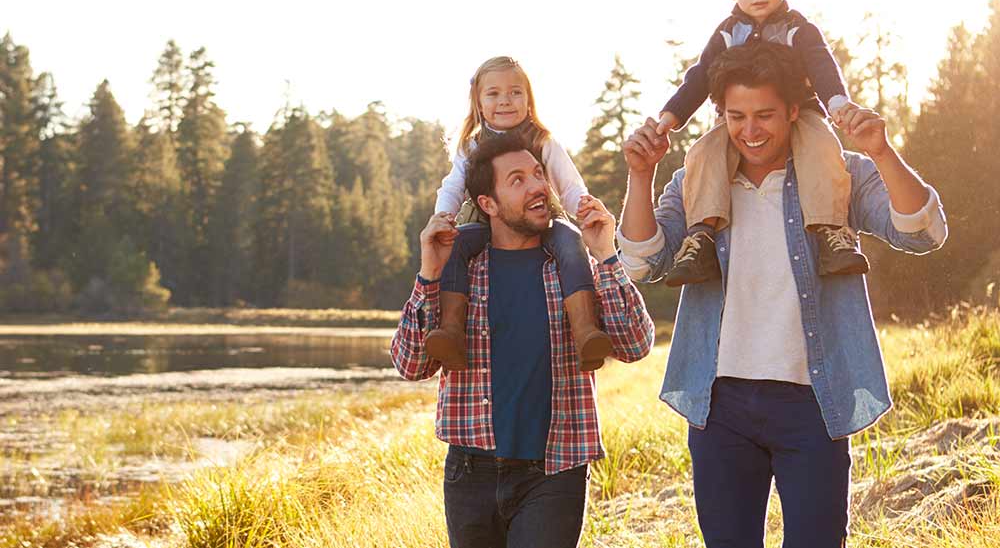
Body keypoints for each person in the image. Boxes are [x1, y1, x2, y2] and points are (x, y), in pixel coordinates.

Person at [618, 42, 947, 546]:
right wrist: (641, 175)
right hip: (721, 403)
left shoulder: (837, 174)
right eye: (736, 116)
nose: (750, 131)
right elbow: (643, 261)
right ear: (720, 114)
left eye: (765, 115)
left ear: (794, 110)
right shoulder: (696, 182)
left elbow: (922, 232)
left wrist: (881, 151)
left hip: (814, 402)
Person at [393, 132, 655, 548]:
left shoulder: (570, 267)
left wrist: (606, 253)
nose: (537, 186)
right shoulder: (463, 271)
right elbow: (410, 365)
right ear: (488, 204)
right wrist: (428, 273)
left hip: (554, 472)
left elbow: (636, 344)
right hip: (469, 473)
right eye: (517, 180)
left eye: (538, 174)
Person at [655, 0, 869, 287]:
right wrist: (670, 116)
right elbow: (701, 76)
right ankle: (702, 236)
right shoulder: (727, 33)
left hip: (800, 113)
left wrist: (838, 103)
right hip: (739, 118)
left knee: (822, 147)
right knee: (704, 152)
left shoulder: (797, 28)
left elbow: (821, 65)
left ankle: (831, 231)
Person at [430, 56, 612, 372]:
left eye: (515, 92)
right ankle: (451, 331)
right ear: (478, 102)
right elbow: (453, 186)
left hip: (540, 220)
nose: (505, 101)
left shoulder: (542, 140)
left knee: (570, 241)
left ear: (528, 99)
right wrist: (443, 216)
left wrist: (582, 208)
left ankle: (585, 331)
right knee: (457, 246)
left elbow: (568, 183)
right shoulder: (470, 145)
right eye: (494, 94)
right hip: (481, 221)